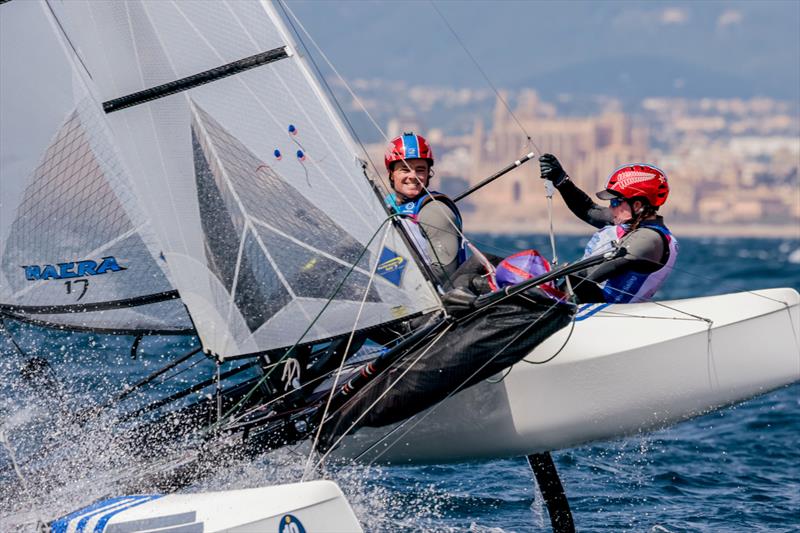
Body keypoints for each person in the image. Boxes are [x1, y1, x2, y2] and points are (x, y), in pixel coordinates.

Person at [539, 153, 678, 303]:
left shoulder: (649, 239)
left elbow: (592, 273)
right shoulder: (629, 222)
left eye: (615, 202)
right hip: (593, 307)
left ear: (637, 205)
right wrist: (561, 179)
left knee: (573, 282)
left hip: (612, 316)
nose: (610, 208)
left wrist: (551, 279)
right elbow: (589, 210)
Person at [384, 133, 466, 289]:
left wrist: (394, 286)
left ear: (429, 174)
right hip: (392, 298)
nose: (413, 176)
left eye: (420, 170)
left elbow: (445, 272)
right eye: (405, 169)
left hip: (436, 303)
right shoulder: (383, 205)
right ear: (391, 174)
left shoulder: (434, 210)